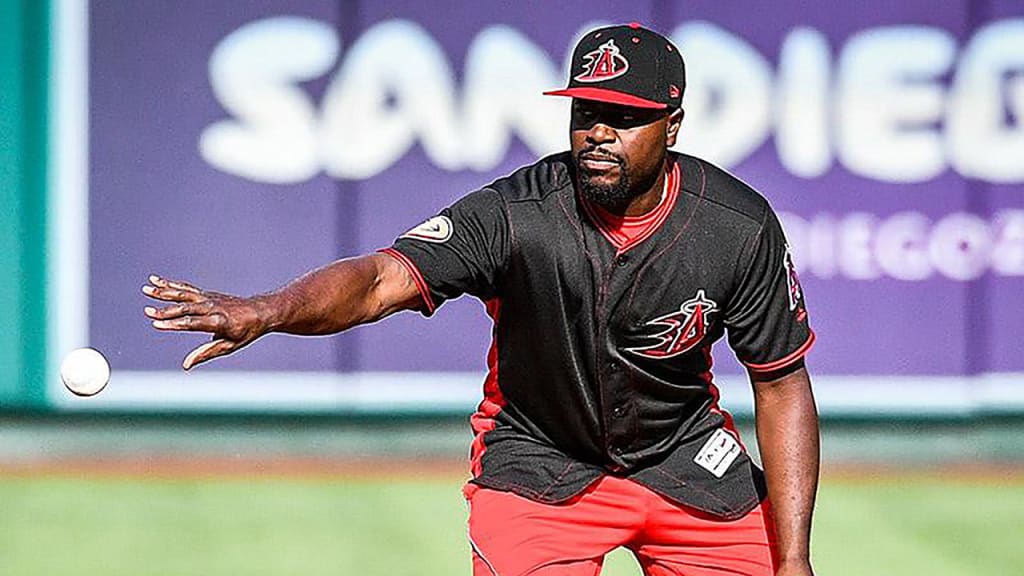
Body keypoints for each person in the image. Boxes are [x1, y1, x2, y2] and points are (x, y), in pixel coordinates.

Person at [144, 23, 818, 576]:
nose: (598, 133)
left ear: (671, 126)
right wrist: (268, 311)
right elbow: (382, 278)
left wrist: (793, 561)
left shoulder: (736, 226)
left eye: (625, 117)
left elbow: (782, 385)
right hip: (540, 460)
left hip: (685, 458)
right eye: (587, 113)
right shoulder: (516, 213)